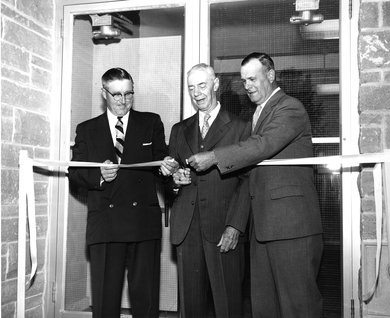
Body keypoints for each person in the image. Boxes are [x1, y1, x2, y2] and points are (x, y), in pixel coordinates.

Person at [187, 53, 323, 318]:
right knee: (264, 308)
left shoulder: (289, 108)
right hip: (263, 227)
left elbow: (262, 146)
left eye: (252, 78)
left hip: (291, 228)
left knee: (298, 307)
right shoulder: (257, 114)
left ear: (270, 76)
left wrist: (215, 157)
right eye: (243, 80)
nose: (246, 85)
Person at [69, 67, 170, 318]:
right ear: (104, 93)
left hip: (142, 225)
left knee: (146, 304)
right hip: (105, 225)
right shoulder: (87, 129)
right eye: (116, 94)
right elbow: (74, 175)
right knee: (104, 304)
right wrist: (99, 177)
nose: (123, 100)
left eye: (128, 93)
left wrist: (169, 167)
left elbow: (161, 164)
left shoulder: (151, 122)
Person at [160, 63, 249, 318]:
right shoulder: (179, 130)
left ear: (216, 84)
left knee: (228, 307)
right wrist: (175, 179)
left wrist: (235, 226)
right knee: (190, 309)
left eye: (202, 85)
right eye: (191, 87)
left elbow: (247, 181)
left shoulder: (240, 127)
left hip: (223, 230)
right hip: (187, 230)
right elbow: (168, 180)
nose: (197, 93)